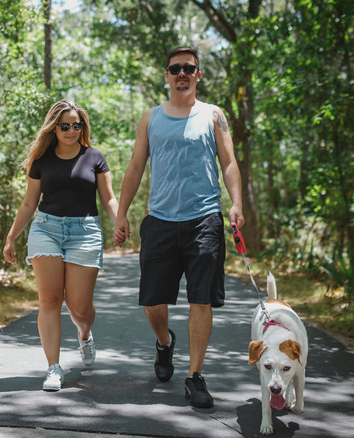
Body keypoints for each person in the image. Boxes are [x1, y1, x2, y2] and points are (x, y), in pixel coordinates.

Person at [114, 47, 245, 408]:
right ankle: (165, 343)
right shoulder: (150, 118)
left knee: (201, 299)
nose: (182, 73)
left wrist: (236, 203)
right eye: (176, 69)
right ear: (167, 75)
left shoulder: (213, 115)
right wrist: (122, 212)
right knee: (153, 302)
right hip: (159, 221)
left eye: (189, 68)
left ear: (198, 74)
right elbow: (136, 166)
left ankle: (195, 376)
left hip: (204, 218)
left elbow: (229, 162)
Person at [3, 99, 119, 392]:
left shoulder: (94, 157)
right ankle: (53, 368)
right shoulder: (42, 161)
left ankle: (84, 334)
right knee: (50, 300)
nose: (70, 130)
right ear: (54, 128)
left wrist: (120, 221)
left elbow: (108, 197)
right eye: (64, 126)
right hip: (46, 229)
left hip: (85, 231)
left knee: (78, 307)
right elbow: (30, 202)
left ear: (82, 127)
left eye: (76, 125)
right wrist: (12, 236)